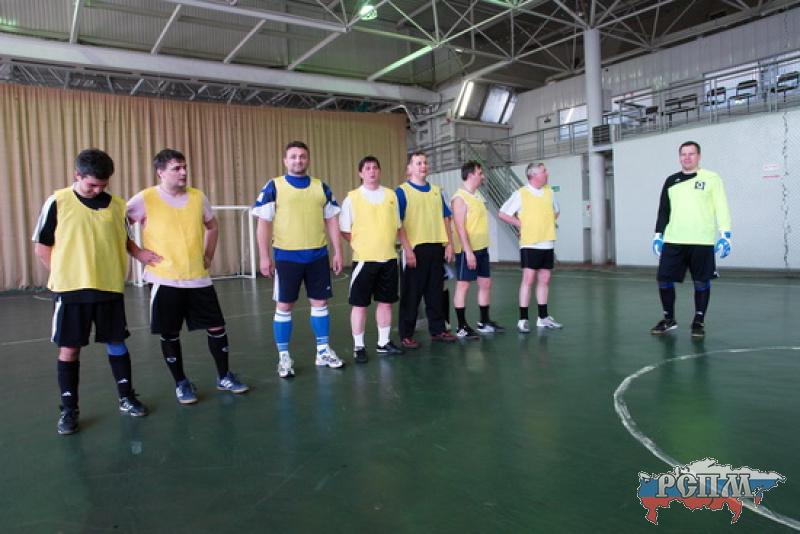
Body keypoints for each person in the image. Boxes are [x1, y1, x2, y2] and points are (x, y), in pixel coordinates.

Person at [32, 148, 153, 435]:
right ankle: (69, 409)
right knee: (70, 348)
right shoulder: (58, 201)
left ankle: (126, 397)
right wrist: (63, 275)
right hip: (71, 291)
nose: (98, 190)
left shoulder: (117, 205)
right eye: (92, 185)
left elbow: (124, 239)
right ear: (77, 175)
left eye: (103, 185)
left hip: (109, 287)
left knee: (117, 342)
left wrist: (140, 253)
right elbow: (41, 247)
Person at [127, 149, 249, 404]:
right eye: (176, 168)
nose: (183, 172)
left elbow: (212, 226)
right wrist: (137, 252)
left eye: (184, 167)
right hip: (164, 278)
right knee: (170, 332)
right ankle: (181, 383)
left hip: (198, 277)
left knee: (217, 327)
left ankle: (224, 376)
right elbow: (118, 226)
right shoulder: (144, 199)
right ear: (160, 172)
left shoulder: (197, 197)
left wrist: (208, 255)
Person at [252, 141, 344, 377]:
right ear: (285, 161)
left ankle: (322, 351)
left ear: (308, 159)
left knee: (320, 303)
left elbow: (332, 220)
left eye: (302, 156)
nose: (298, 160)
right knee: (284, 305)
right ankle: (284, 357)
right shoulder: (274, 186)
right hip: (287, 257)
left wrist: (338, 251)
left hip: (318, 255)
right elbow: (263, 223)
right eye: (293, 157)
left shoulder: (321, 187)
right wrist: (264, 256)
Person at [650, 141, 731, 338]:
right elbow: (664, 210)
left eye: (691, 154)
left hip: (701, 241)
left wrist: (725, 234)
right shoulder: (671, 181)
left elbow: (721, 206)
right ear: (679, 157)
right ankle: (669, 319)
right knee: (663, 279)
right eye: (683, 154)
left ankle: (698, 321)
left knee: (701, 282)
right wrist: (658, 235)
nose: (687, 157)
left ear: (699, 156)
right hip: (674, 240)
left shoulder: (712, 178)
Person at [339, 156, 405, 363]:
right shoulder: (352, 198)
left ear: (380, 171)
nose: (372, 171)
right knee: (360, 305)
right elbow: (345, 230)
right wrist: (362, 245)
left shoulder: (391, 196)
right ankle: (358, 346)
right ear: (361, 173)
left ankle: (383, 343)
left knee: (386, 303)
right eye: (367, 168)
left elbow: (397, 226)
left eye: (375, 167)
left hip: (388, 258)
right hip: (365, 260)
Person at [395, 152, 457, 348]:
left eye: (425, 162)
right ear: (409, 169)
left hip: (436, 247)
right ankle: (406, 334)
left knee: (435, 292)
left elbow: (446, 218)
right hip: (415, 249)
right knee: (411, 294)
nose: (423, 166)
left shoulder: (438, 191)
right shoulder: (402, 192)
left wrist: (449, 244)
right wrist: (407, 249)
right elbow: (398, 224)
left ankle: (438, 329)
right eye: (418, 163)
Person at [498, 162, 563, 332]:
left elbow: (556, 211)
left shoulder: (549, 192)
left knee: (545, 279)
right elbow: (503, 213)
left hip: (547, 241)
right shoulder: (521, 194)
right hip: (530, 243)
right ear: (534, 175)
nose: (547, 173)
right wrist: (522, 225)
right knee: (528, 279)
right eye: (544, 171)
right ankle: (523, 319)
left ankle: (543, 318)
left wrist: (546, 222)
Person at [451, 161, 505, 339]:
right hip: (467, 250)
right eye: (480, 173)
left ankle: (484, 322)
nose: (483, 176)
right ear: (470, 175)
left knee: (485, 283)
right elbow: (460, 227)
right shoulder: (459, 198)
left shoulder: (477, 196)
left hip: (482, 248)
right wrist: (468, 252)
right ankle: (461, 327)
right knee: (463, 285)